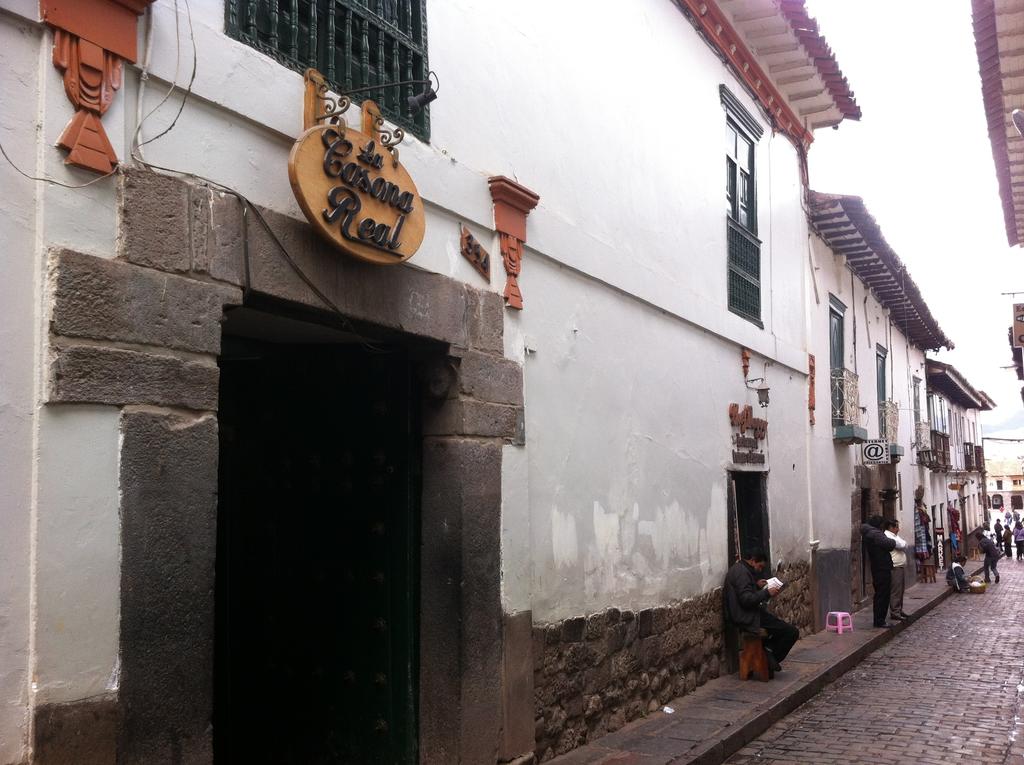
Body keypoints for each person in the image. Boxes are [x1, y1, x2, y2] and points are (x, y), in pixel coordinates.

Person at [723, 548, 800, 673]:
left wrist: (756, 584)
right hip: (746, 616)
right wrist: (766, 592)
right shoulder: (741, 573)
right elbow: (746, 599)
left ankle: (768, 654)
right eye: (759, 566)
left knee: (780, 627)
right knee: (791, 632)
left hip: (750, 614)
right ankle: (770, 657)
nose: (759, 570)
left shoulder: (741, 570)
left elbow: (745, 590)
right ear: (753, 561)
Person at [861, 515, 905, 628]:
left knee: (882, 594)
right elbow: (891, 544)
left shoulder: (871, 533)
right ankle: (880, 620)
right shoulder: (875, 534)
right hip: (881, 568)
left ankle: (880, 619)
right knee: (882, 595)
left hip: (880, 567)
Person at [884, 519, 910, 621]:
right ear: (891, 527)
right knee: (896, 590)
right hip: (895, 566)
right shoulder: (888, 536)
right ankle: (895, 611)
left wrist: (902, 544)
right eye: (896, 527)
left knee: (900, 590)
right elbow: (902, 545)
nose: (898, 529)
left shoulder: (894, 536)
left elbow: (904, 544)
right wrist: (902, 544)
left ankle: (899, 610)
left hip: (900, 566)